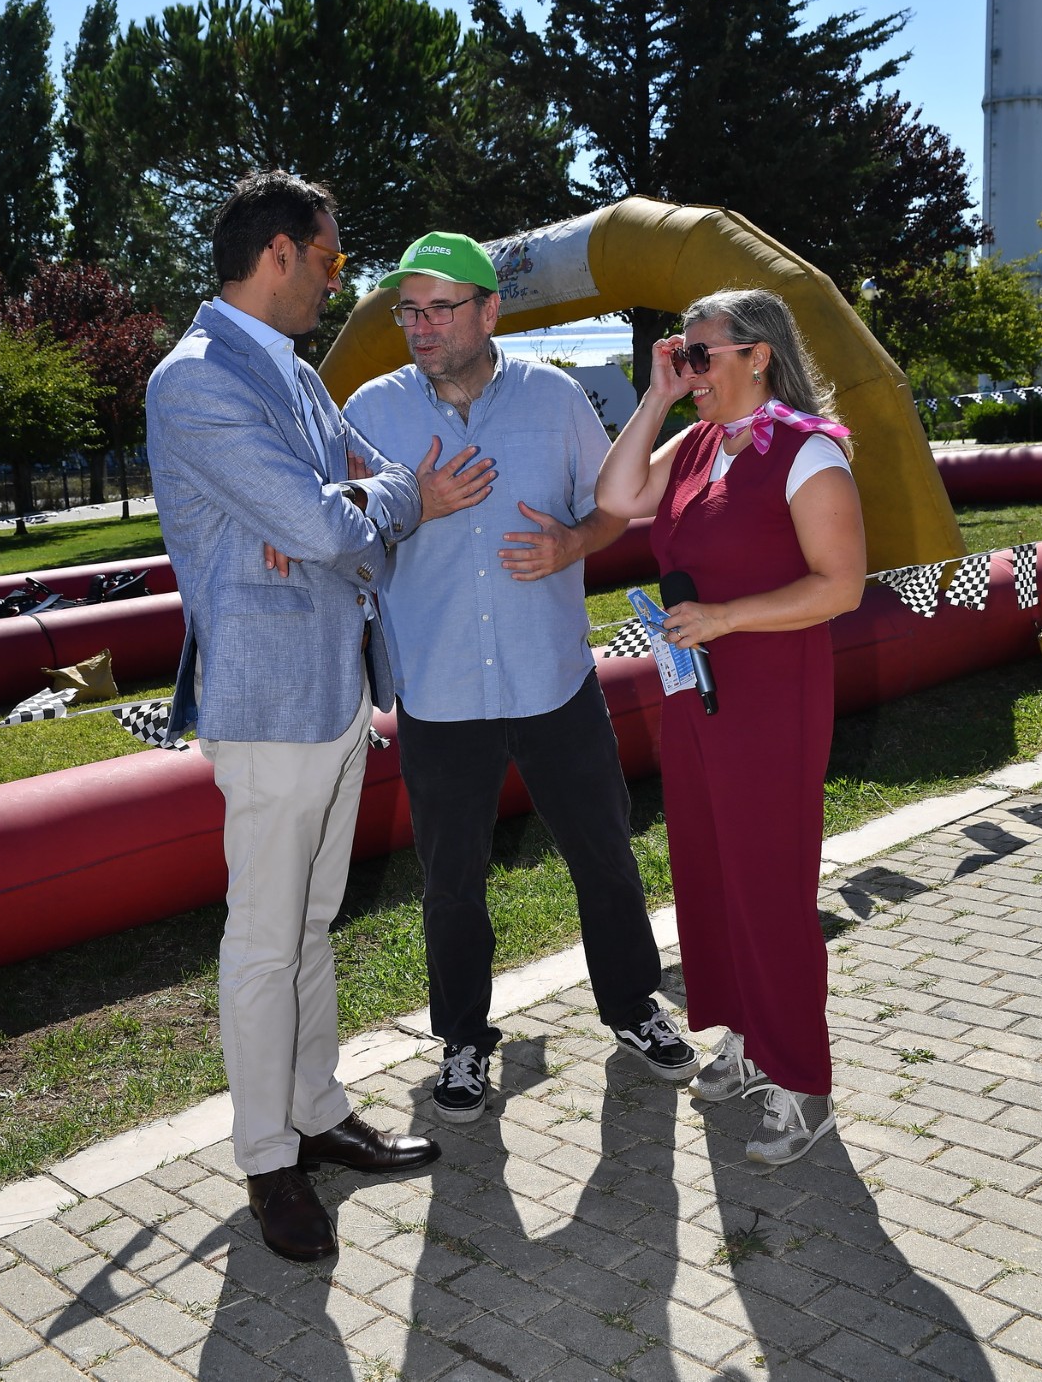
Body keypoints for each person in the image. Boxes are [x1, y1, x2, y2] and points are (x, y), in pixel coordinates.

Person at [145, 171, 440, 1264]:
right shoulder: (194, 379)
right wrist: (357, 514)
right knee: (266, 941)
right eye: (330, 258)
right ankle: (268, 1157)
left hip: (338, 688)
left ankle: (317, 1112)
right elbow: (338, 521)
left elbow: (355, 501)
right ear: (278, 254)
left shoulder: (299, 374)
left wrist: (344, 515)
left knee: (311, 925)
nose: (337, 279)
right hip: (269, 705)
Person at [339, 230, 697, 1123]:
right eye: (409, 311)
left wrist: (573, 544)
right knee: (450, 881)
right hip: (439, 691)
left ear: (490, 310)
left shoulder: (555, 398)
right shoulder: (369, 412)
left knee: (604, 856)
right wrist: (411, 508)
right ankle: (462, 1040)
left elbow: (612, 507)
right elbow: (340, 538)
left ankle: (633, 1006)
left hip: (554, 680)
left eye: (441, 308)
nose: (421, 326)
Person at [594, 288, 865, 1166]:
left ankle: (803, 1081)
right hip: (696, 694)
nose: (690, 367)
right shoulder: (699, 442)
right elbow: (617, 493)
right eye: (682, 353)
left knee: (769, 884)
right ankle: (746, 1036)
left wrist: (725, 618)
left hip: (770, 695)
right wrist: (659, 394)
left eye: (700, 355)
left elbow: (840, 586)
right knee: (709, 873)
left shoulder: (807, 450)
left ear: (758, 355)